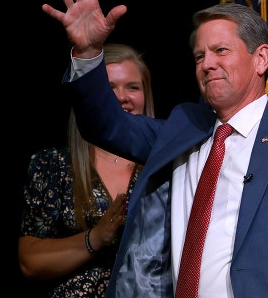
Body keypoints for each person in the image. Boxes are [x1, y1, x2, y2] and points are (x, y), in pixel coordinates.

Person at [42, 0, 268, 296]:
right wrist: (87, 54)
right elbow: (104, 125)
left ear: (261, 58)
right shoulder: (181, 129)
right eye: (200, 56)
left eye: (220, 50)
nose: (208, 64)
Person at [18, 42, 171, 297]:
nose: (122, 96)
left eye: (133, 87)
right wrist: (95, 238)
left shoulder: (168, 167)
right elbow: (29, 261)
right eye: (109, 87)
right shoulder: (54, 165)